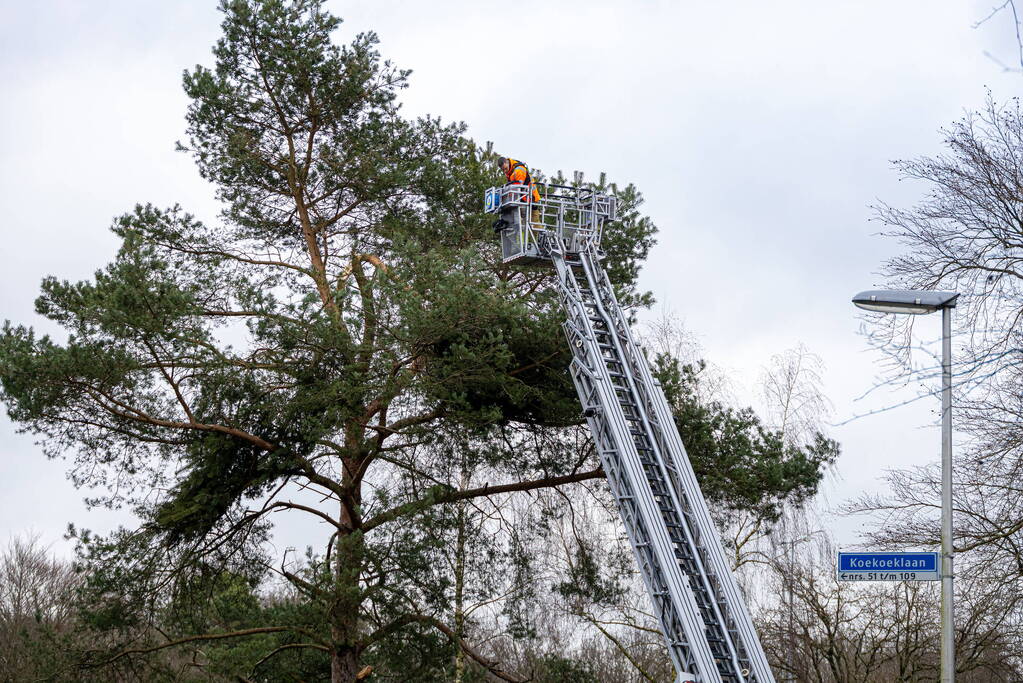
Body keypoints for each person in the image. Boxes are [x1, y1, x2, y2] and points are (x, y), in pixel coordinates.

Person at [493, 156, 541, 233]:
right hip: (523, 199)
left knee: (534, 226)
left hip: (531, 200)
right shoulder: (510, 171)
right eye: (503, 170)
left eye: (505, 169)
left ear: (507, 163)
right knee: (520, 224)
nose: (505, 171)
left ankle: (539, 239)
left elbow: (518, 187)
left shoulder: (518, 170)